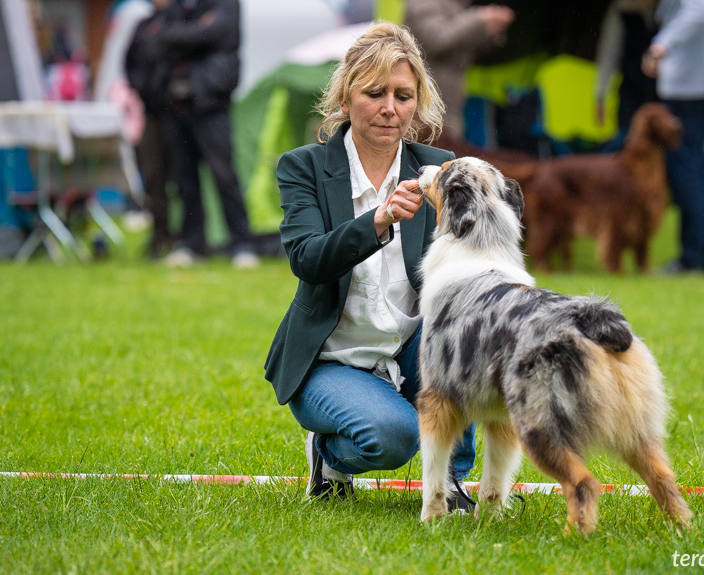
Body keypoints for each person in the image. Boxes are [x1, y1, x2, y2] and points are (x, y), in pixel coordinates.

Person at [264, 22, 476, 508]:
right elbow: (307, 259)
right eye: (375, 93)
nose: (390, 108)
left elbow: (466, 264)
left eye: (404, 95)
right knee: (394, 438)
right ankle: (328, 453)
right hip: (329, 359)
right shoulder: (305, 167)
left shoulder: (437, 167)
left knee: (460, 330)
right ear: (345, 99)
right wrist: (378, 220)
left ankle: (451, 480)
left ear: (417, 102)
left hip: (407, 346)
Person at [157, 0, 259, 269]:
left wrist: (185, 35)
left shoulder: (226, 4)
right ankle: (192, 245)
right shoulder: (177, 6)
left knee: (224, 175)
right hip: (178, 104)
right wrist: (195, 31)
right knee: (185, 179)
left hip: (212, 104)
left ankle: (242, 244)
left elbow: (214, 33)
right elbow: (162, 37)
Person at [642, 0, 704, 273]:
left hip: (689, 87)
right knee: (696, 170)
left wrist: (660, 46)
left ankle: (693, 257)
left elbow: (697, 10)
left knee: (686, 172)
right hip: (696, 84)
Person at [404, 0, 515, 143]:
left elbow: (468, 50)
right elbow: (438, 39)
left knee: (448, 148)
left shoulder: (458, 6)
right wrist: (480, 18)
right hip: (424, 100)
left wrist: (491, 31)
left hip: (450, 102)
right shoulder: (423, 2)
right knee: (430, 149)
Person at [125, 0, 176, 258]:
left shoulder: (180, 22)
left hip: (180, 112)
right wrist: (145, 89)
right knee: (154, 175)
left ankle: (188, 236)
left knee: (182, 176)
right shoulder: (144, 26)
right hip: (152, 113)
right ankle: (160, 235)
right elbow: (129, 63)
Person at [594, 0, 660, 152]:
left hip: (664, 93)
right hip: (631, 90)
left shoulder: (672, 7)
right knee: (625, 144)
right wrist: (600, 95)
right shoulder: (621, 9)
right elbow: (608, 54)